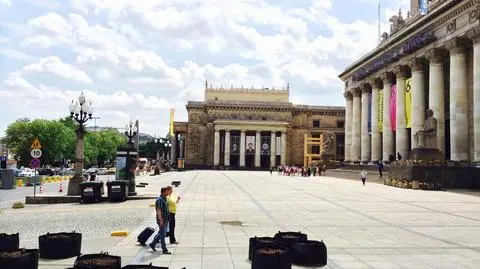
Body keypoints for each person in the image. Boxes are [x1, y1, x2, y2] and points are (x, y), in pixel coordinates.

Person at [149, 188, 171, 254]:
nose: (168, 193)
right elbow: (159, 211)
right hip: (162, 220)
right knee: (162, 235)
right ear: (163, 192)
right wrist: (161, 220)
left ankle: (152, 244)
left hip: (166, 219)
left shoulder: (165, 199)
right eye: (167, 192)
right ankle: (164, 249)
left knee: (163, 233)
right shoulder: (159, 200)